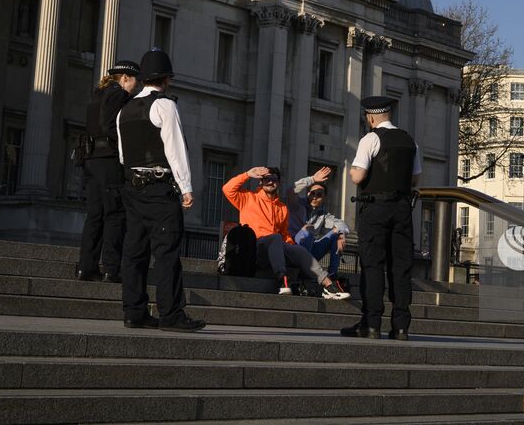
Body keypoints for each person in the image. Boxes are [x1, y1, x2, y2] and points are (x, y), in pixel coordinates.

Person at [117, 48, 206, 332]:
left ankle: (134, 311)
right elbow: (175, 149)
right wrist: (186, 186)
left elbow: (123, 155)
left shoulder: (124, 110)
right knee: (166, 252)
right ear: (166, 79)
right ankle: (171, 314)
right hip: (158, 188)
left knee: (134, 251)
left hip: (132, 187)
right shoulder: (165, 105)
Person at [341, 96, 421, 340]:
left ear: (371, 117)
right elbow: (415, 179)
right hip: (402, 209)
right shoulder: (410, 140)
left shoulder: (371, 138)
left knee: (373, 265)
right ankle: (401, 326)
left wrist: (353, 171)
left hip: (376, 208)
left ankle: (371, 323)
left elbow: (358, 176)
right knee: (401, 267)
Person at [222, 165, 350, 299]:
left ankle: (329, 285)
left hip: (275, 249)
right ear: (260, 182)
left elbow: (285, 234)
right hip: (254, 249)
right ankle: (282, 280)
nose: (270, 182)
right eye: (267, 179)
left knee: (298, 250)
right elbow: (227, 189)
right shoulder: (247, 198)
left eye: (274, 179)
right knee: (276, 238)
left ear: (278, 183)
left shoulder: (282, 208)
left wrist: (292, 248)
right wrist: (247, 174)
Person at [76, 59, 138, 282]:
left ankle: (86, 267)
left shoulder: (97, 94)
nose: (136, 86)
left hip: (90, 158)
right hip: (108, 160)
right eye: (135, 81)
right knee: (115, 214)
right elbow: (110, 127)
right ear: (125, 78)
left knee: (95, 215)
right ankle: (112, 268)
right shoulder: (119, 95)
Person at [295, 182, 350, 279]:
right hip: (294, 249)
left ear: (324, 198)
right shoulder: (297, 204)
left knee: (336, 234)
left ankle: (332, 274)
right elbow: (292, 189)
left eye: (319, 195)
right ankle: (300, 272)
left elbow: (341, 223)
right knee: (307, 232)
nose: (314, 197)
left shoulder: (323, 214)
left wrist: (341, 235)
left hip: (311, 251)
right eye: (312, 193)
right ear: (308, 193)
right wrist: (312, 179)